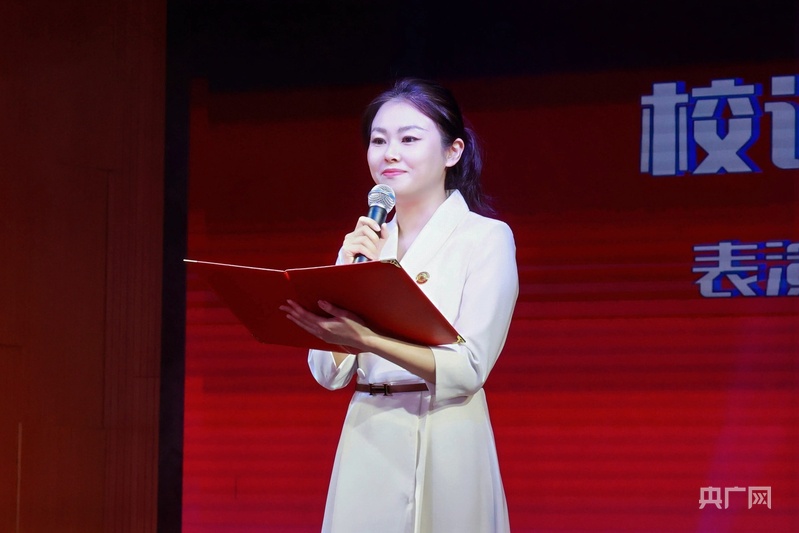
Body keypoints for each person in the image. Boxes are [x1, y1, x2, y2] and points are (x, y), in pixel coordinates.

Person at [281, 78, 518, 533]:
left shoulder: (485, 238)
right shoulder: (367, 241)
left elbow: (469, 367)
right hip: (367, 432)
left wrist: (370, 340)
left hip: (445, 432)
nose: (390, 153)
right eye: (378, 141)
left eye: (409, 139)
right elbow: (327, 374)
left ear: (452, 152)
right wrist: (345, 269)